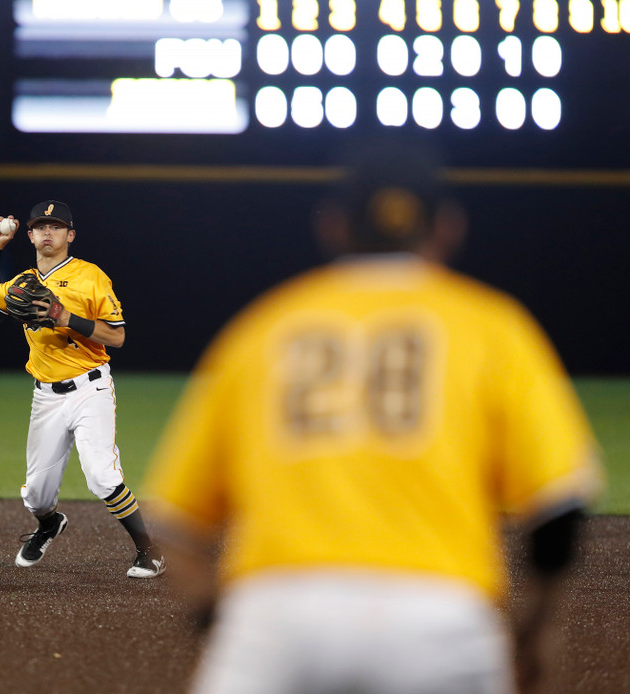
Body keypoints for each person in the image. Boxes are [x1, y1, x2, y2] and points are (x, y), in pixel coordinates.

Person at [144, 141, 604, 693]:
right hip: (439, 615)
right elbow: (560, 508)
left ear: (334, 227)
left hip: (280, 611)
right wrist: (534, 636)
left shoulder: (265, 327)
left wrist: (230, 626)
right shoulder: (492, 326)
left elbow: (174, 520)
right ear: (448, 227)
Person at [0, 199, 165, 578]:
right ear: (29, 235)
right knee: (37, 495)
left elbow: (118, 337)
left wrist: (65, 316)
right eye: (41, 226)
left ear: (70, 235)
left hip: (89, 389)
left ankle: (150, 551)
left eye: (57, 226)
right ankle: (48, 524)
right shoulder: (22, 283)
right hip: (45, 396)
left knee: (102, 475)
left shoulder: (91, 276)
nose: (48, 232)